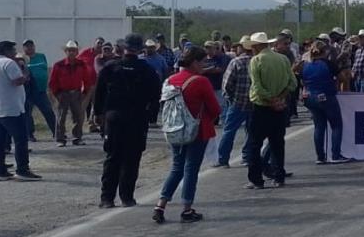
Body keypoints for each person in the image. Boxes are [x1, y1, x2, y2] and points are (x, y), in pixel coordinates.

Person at [152, 46, 221, 223]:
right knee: (191, 169)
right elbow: (215, 109)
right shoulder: (200, 81)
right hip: (197, 131)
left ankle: (160, 205)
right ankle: (187, 209)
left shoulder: (170, 80)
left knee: (176, 167)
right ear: (195, 62)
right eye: (203, 62)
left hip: (175, 130)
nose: (205, 65)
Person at [92, 34, 161, 205]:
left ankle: (107, 198)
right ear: (140, 50)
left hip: (114, 118)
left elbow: (99, 93)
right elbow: (156, 96)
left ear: (123, 48)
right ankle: (127, 197)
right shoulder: (147, 70)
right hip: (137, 119)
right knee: (132, 158)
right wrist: (150, 116)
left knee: (112, 157)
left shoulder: (110, 67)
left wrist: (98, 114)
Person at [243, 32, 297, 189]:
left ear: (257, 46)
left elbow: (258, 88)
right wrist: (279, 98)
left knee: (255, 145)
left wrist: (270, 99)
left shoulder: (256, 60)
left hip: (260, 107)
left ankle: (256, 180)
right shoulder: (283, 59)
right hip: (279, 108)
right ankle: (279, 177)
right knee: (277, 143)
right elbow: (292, 83)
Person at [302, 40, 352, 165]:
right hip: (326, 96)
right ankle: (335, 155)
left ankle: (320, 156)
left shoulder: (306, 65)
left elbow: (302, 81)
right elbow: (343, 79)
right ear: (325, 51)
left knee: (319, 126)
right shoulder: (329, 64)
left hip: (310, 97)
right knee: (336, 125)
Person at [0, 40, 36, 180]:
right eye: (13, 50)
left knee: (0, 140)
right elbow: (17, 81)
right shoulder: (9, 63)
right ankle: (22, 169)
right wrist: (24, 72)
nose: (15, 52)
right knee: (20, 139)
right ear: (7, 51)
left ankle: (0, 170)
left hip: (0, 107)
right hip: (12, 108)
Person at [216, 36, 255, 167]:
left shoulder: (236, 62)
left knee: (229, 131)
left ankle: (223, 159)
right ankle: (247, 157)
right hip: (255, 102)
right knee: (251, 131)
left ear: (243, 47)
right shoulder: (258, 61)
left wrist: (231, 98)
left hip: (238, 102)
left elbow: (226, 85)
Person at [49, 40, 93, 146]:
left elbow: (87, 79)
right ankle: (60, 139)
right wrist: (57, 94)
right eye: (69, 50)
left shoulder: (82, 64)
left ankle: (77, 138)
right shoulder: (58, 65)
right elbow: (52, 82)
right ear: (66, 51)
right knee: (61, 117)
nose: (71, 52)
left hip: (76, 93)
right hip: (62, 93)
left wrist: (84, 93)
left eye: (73, 50)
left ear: (77, 52)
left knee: (78, 116)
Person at [20, 40, 56, 142]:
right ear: (24, 48)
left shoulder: (41, 56)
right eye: (27, 46)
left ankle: (57, 132)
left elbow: (45, 68)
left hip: (41, 90)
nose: (29, 48)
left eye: (31, 46)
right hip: (28, 90)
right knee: (27, 113)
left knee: (48, 111)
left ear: (34, 46)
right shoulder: (22, 59)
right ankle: (29, 134)